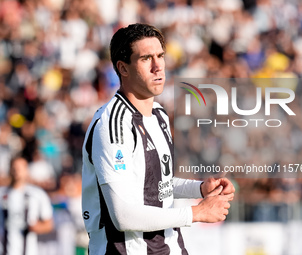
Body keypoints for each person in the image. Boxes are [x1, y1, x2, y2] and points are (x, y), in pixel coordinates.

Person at [81, 23, 235, 254]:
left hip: (170, 247)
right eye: (146, 58)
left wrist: (200, 188)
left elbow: (154, 184)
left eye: (160, 56)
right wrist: (196, 212)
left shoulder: (159, 114)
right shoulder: (113, 125)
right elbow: (122, 215)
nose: (158, 67)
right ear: (123, 68)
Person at [0, 156, 54, 255]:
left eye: (20, 168)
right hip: (1, 250)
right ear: (9, 169)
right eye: (14, 167)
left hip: (28, 251)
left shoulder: (38, 195)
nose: (16, 171)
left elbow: (48, 224)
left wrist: (36, 227)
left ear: (26, 170)